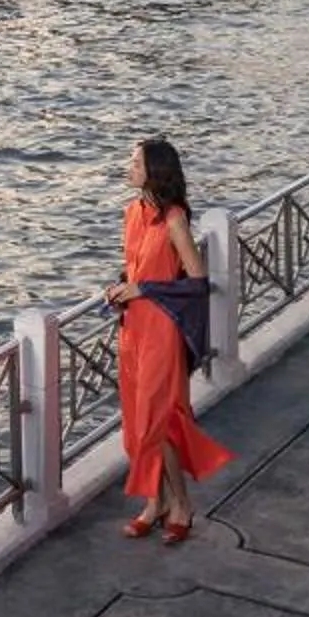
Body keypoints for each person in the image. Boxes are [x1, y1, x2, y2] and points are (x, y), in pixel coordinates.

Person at [107, 136, 234, 542]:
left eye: (135, 161)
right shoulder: (132, 213)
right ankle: (155, 500)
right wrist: (121, 288)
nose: (128, 166)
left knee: (156, 423)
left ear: (154, 171)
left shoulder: (175, 219)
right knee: (136, 424)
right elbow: (137, 269)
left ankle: (180, 503)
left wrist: (144, 290)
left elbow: (197, 283)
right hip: (133, 330)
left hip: (162, 329)